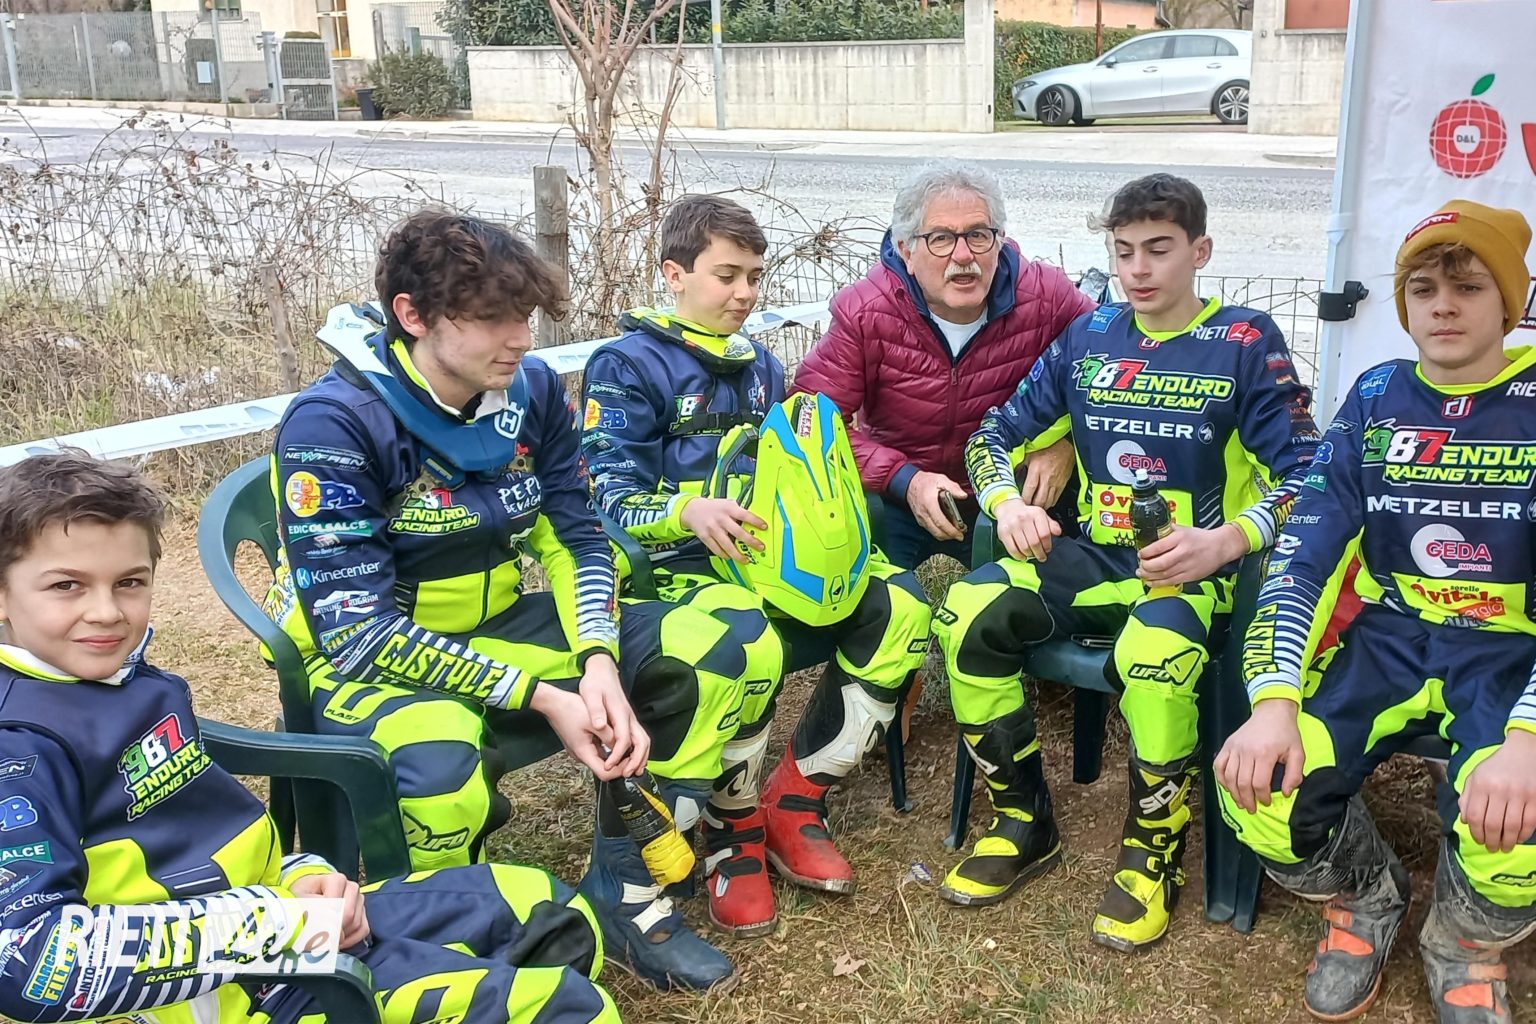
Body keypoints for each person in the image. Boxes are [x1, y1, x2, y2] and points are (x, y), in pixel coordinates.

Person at [262, 209, 749, 991]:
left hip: (498, 623)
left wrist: (596, 658)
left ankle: (626, 891)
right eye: (492, 317)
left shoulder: (531, 390)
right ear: (412, 315)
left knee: (720, 648)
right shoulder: (334, 424)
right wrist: (542, 695)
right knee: (441, 770)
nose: (521, 338)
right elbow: (358, 633)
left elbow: (577, 534)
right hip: (369, 657)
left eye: (524, 315)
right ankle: (453, 959)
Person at [0, 452, 620, 1024]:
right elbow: (29, 965)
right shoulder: (20, 746)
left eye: (130, 582)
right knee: (568, 1009)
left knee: (550, 914)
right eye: (66, 585)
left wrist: (301, 877)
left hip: (284, 932)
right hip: (233, 994)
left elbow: (204, 841)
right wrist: (276, 929)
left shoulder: (136, 682)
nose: (107, 611)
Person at [932, 174, 1319, 952]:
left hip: (1194, 575)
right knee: (963, 613)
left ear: (1200, 251)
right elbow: (991, 434)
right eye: (1123, 251)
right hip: (1089, 559)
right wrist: (1007, 505)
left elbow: (1310, 476)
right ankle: (1022, 819)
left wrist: (1228, 540)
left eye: (1158, 250)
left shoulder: (1246, 343)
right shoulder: (1090, 335)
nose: (1138, 269)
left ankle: (1154, 849)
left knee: (1156, 654)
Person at [1216, 201, 1536, 1024]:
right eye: (1423, 290)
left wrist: (1530, 740)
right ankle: (1365, 896)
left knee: (1522, 826)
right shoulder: (1377, 394)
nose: (1443, 306)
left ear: (1511, 299)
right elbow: (1304, 555)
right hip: (1390, 637)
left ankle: (1465, 939)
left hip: (1512, 651)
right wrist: (1273, 702)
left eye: (1469, 287)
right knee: (1260, 792)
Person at [580, 194, 932, 939]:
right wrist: (686, 512)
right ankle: (731, 833)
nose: (744, 294)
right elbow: (603, 496)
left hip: (772, 562)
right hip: (673, 573)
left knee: (902, 605)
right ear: (674, 274)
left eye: (754, 277)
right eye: (726, 275)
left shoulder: (763, 366)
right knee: (750, 642)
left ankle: (793, 802)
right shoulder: (626, 364)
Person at [791, 161, 1097, 572]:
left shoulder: (1048, 297)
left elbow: (1118, 364)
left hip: (1013, 488)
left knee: (1037, 597)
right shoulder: (865, 311)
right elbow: (807, 419)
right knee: (864, 592)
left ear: (1000, 241)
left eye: (978, 235)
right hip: (898, 493)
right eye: (940, 238)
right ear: (906, 251)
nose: (963, 255)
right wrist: (903, 479)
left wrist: (1068, 446)